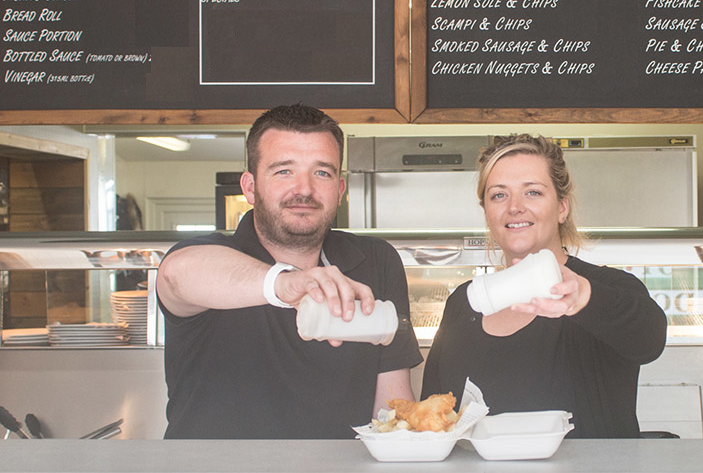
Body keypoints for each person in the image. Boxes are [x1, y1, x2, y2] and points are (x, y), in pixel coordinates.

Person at [156, 104, 421, 439]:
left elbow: (393, 408)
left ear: (339, 191)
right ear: (250, 187)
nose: (305, 190)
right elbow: (174, 276)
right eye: (284, 171)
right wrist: (284, 283)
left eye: (321, 173)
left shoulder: (374, 261)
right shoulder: (212, 256)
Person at [421, 134, 668, 438]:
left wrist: (583, 298)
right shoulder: (464, 303)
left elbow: (649, 338)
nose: (514, 207)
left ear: (562, 207)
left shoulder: (603, 287)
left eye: (533, 192)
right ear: (486, 211)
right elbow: (432, 412)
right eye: (499, 195)